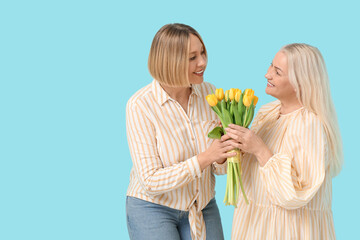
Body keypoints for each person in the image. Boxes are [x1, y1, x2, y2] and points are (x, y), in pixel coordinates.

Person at [126, 23, 236, 240]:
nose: (202, 62)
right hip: (154, 207)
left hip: (202, 204)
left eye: (202, 52)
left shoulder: (209, 93)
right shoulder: (140, 105)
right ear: (170, 62)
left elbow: (218, 169)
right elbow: (150, 181)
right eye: (192, 57)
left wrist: (224, 153)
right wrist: (205, 158)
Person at [222, 43, 343, 239]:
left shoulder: (310, 124)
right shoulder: (266, 112)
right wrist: (232, 143)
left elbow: (295, 194)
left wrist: (260, 150)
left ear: (300, 82)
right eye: (271, 65)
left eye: (278, 72)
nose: (267, 74)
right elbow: (249, 174)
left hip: (288, 231)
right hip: (254, 227)